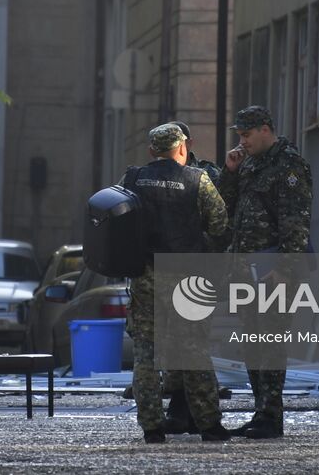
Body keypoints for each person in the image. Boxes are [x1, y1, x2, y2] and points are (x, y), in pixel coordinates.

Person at [121, 123, 230, 443]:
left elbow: (116, 224)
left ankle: (152, 428)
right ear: (182, 148)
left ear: (152, 150)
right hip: (187, 279)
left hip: (146, 278)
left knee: (145, 353)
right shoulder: (198, 180)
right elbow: (222, 226)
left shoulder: (133, 180)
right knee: (194, 351)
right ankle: (209, 425)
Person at [218, 105, 313, 439]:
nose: (243, 142)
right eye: (240, 136)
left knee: (270, 343)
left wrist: (287, 270)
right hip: (246, 270)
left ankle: (271, 417)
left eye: (246, 135)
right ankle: (260, 410)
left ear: (265, 129)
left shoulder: (289, 165)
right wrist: (230, 171)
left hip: (273, 270)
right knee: (252, 343)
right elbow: (226, 207)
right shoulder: (250, 165)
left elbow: (295, 222)